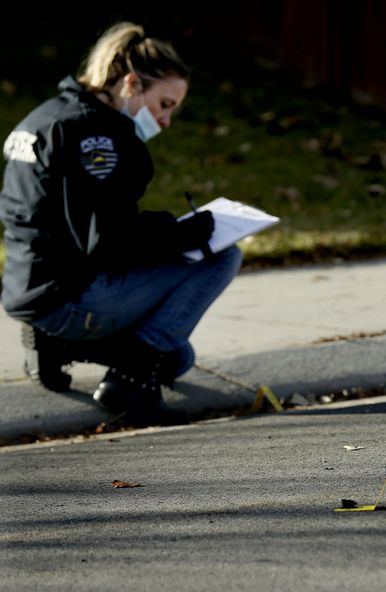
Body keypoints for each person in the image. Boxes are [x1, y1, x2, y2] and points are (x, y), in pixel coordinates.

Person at [0, 22, 242, 422]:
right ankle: (130, 380)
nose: (166, 120)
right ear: (131, 84)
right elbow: (109, 243)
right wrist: (180, 233)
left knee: (178, 358)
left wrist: (167, 232)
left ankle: (55, 345)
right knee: (224, 257)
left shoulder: (46, 115)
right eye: (164, 104)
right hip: (69, 297)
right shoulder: (99, 137)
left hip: (28, 286)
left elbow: (79, 224)